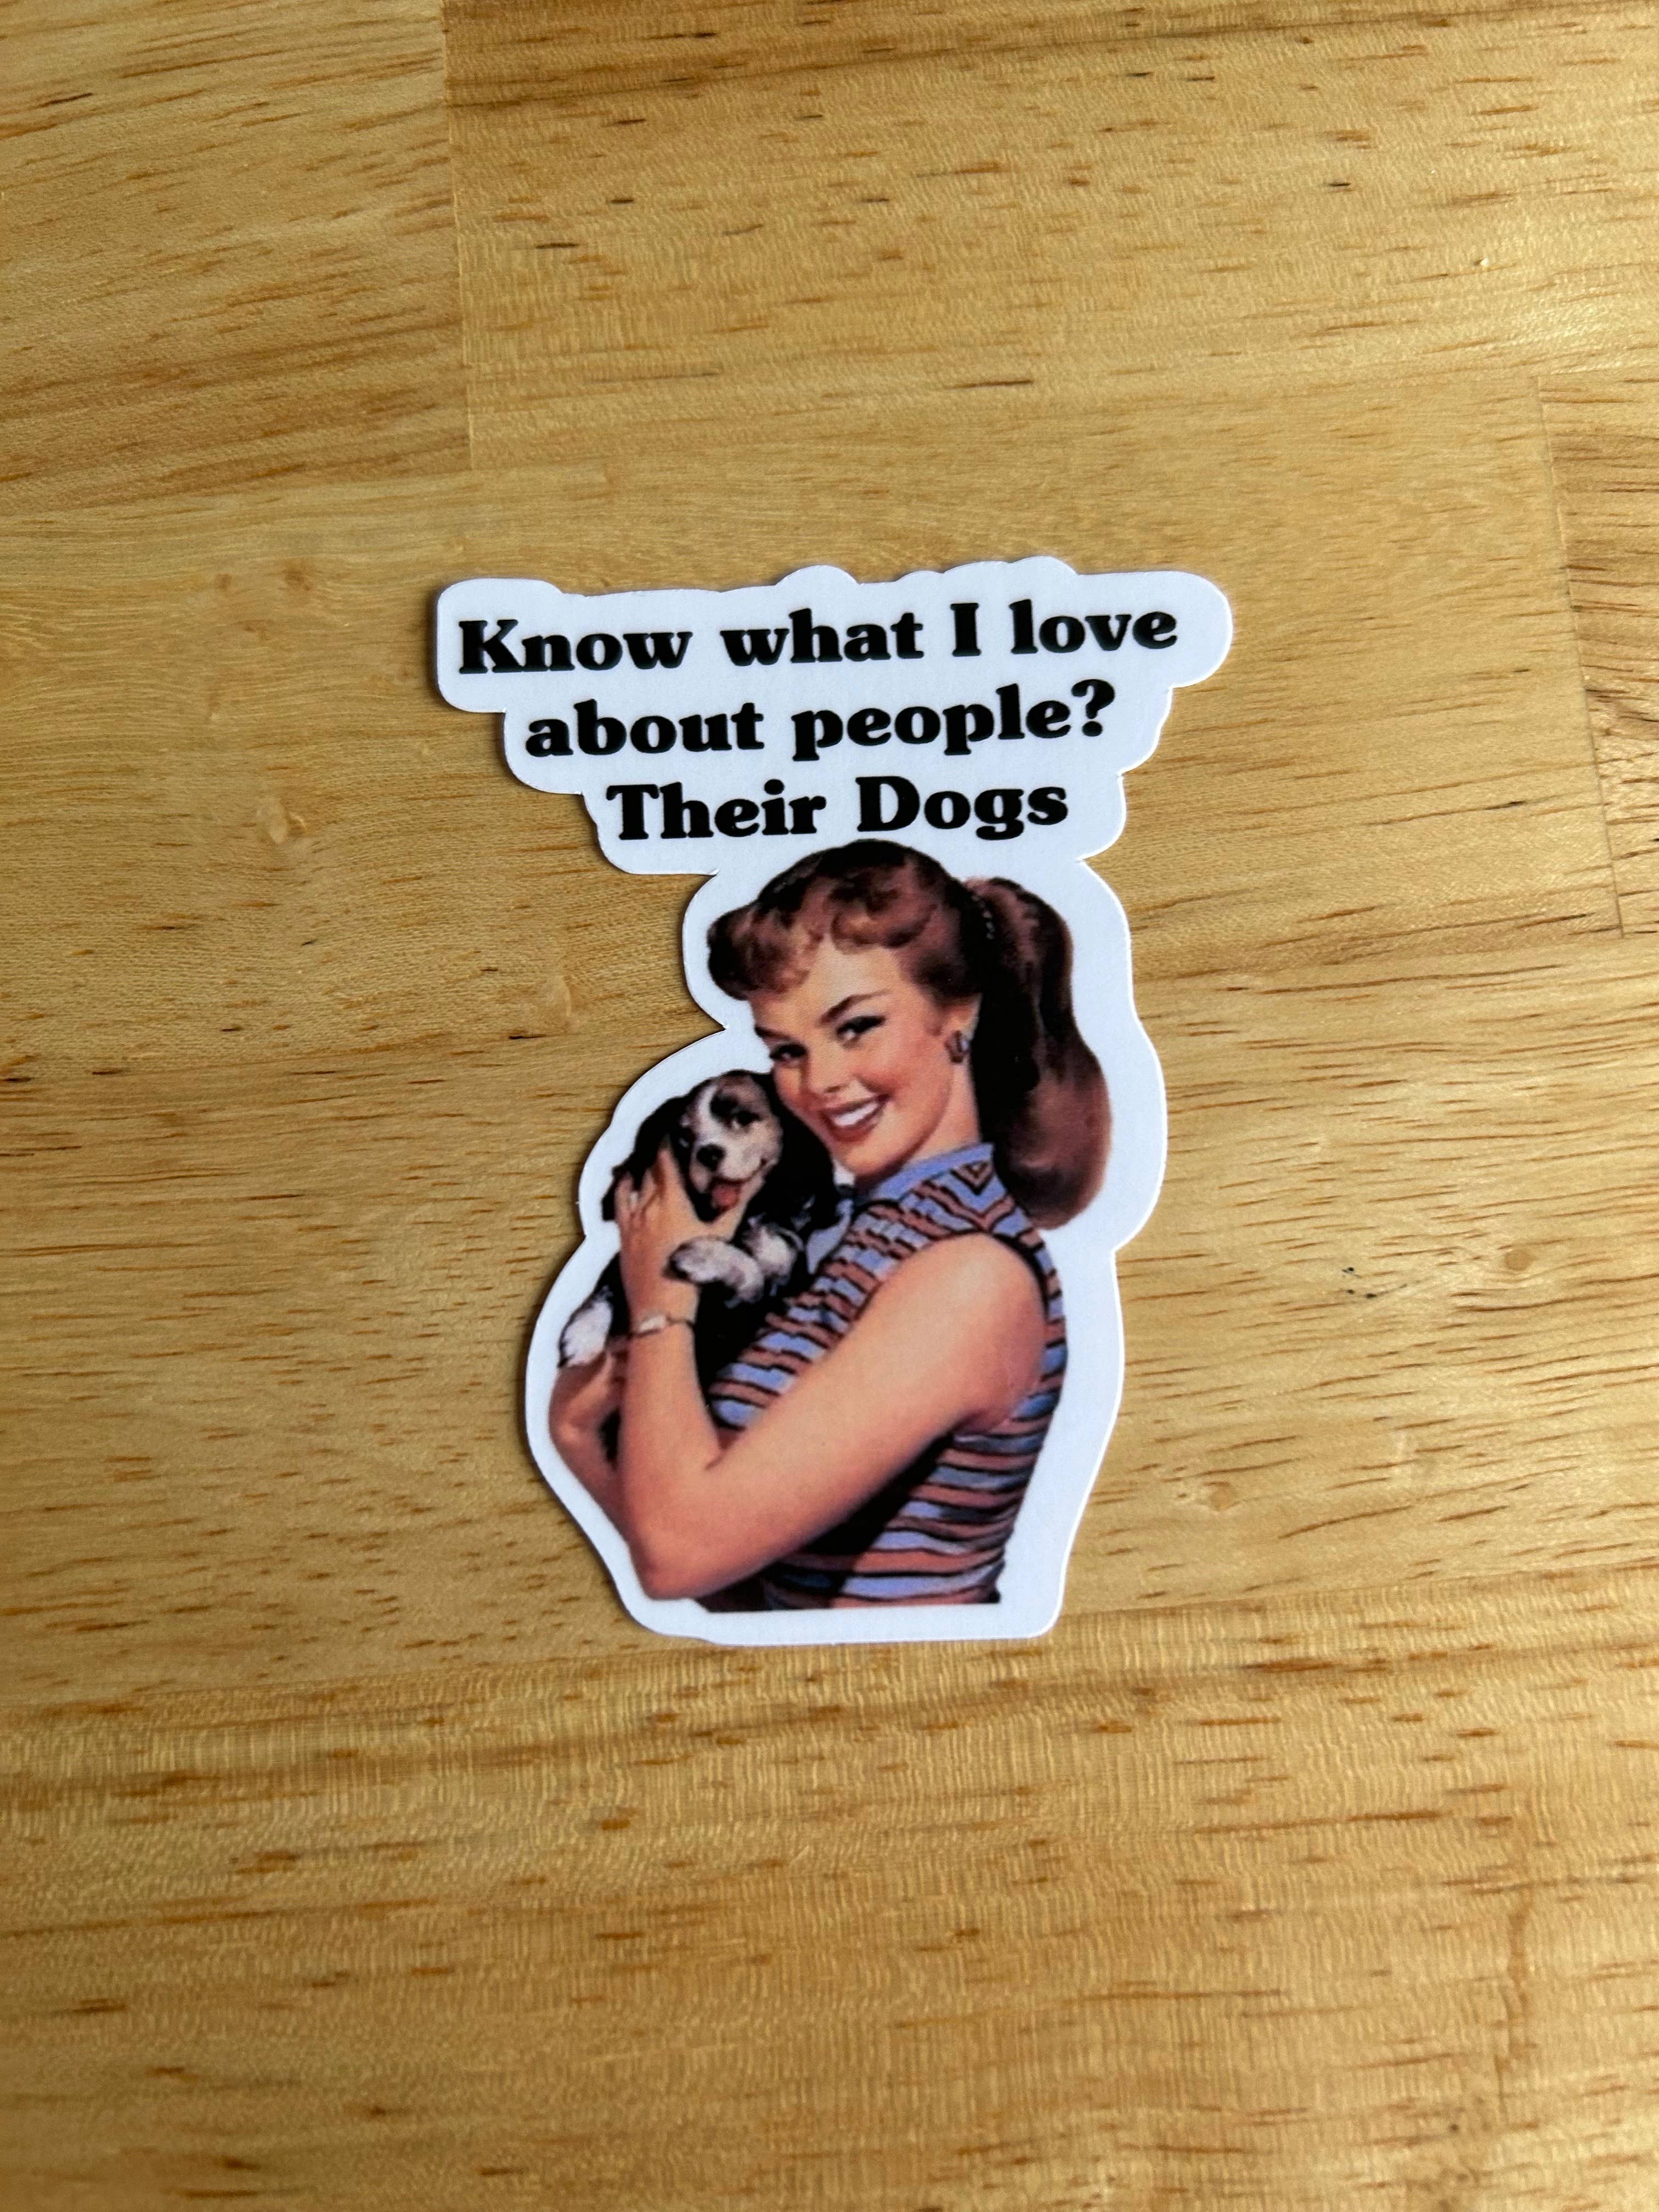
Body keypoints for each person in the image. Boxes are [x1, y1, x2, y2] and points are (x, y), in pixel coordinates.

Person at [549, 840, 1108, 1610]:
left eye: (855, 1028)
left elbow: (681, 1554)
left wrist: (662, 1301)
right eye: (787, 1050)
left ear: (959, 1014)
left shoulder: (969, 1276)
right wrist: (578, 1440)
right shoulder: (851, 1237)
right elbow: (744, 1585)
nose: (819, 1083)